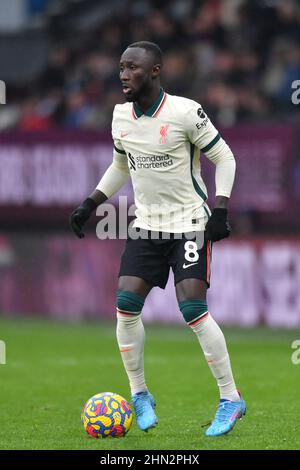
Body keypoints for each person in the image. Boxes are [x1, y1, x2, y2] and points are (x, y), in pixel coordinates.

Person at [70, 41, 246, 437]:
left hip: (189, 222)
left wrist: (220, 208)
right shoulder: (119, 117)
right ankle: (140, 394)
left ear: (155, 71)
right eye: (120, 67)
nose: (123, 74)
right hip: (147, 224)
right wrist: (91, 201)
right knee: (126, 305)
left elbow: (225, 157)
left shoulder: (185, 112)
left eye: (132, 67)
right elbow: (121, 164)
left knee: (192, 308)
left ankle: (231, 398)